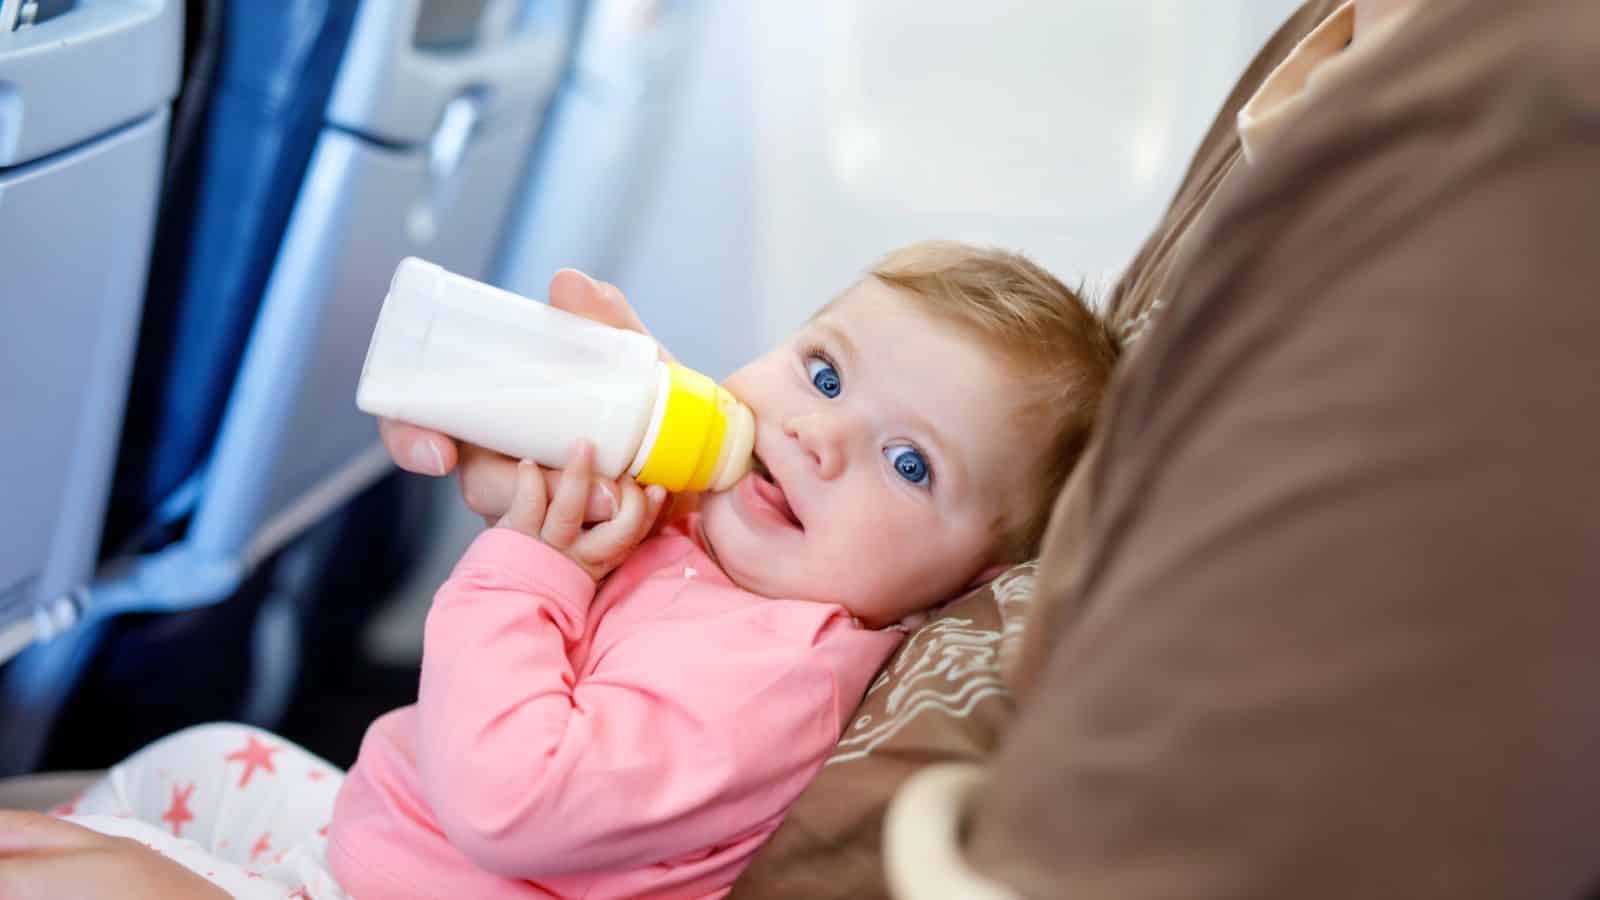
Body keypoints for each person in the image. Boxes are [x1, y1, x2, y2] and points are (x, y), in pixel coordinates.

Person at [1, 241, 1118, 899]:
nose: (815, 436)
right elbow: (569, 531)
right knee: (205, 757)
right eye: (823, 374)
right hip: (387, 850)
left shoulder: (773, 682)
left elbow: (515, 801)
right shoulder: (723, 534)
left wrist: (522, 569)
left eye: (909, 461)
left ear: (965, 581)